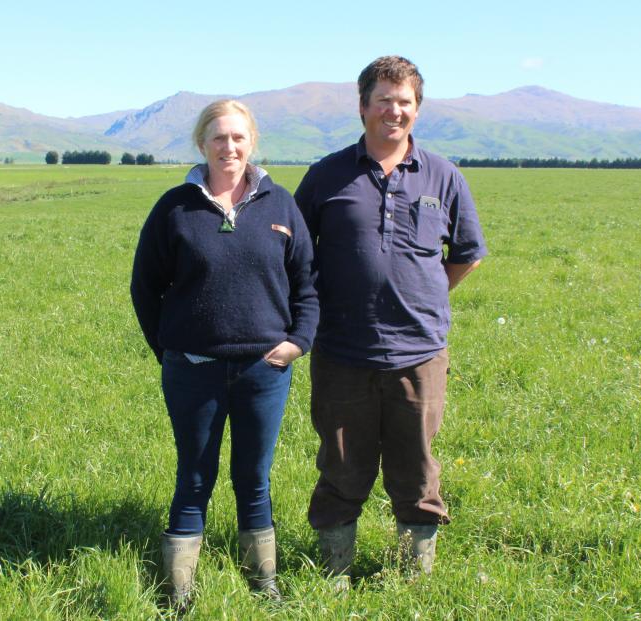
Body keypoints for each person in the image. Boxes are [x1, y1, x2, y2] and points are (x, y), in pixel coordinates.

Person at [294, 56, 487, 585]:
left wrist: (422, 295)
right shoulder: (326, 175)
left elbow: (466, 252)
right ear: (363, 107)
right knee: (339, 466)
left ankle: (410, 578)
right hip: (341, 352)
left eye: (404, 102)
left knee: (417, 469)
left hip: (419, 355)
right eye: (384, 101)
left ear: (417, 110)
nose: (394, 111)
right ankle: (334, 571)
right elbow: (293, 255)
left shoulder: (443, 175)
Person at [130, 99, 318, 608]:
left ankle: (263, 582)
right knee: (194, 475)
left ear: (251, 141)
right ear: (202, 144)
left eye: (237, 137)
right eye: (218, 138)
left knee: (253, 479)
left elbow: (307, 284)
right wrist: (169, 349)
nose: (228, 147)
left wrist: (297, 342)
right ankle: (178, 591)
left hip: (265, 370)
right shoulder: (175, 207)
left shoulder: (280, 205)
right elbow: (145, 288)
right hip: (193, 370)